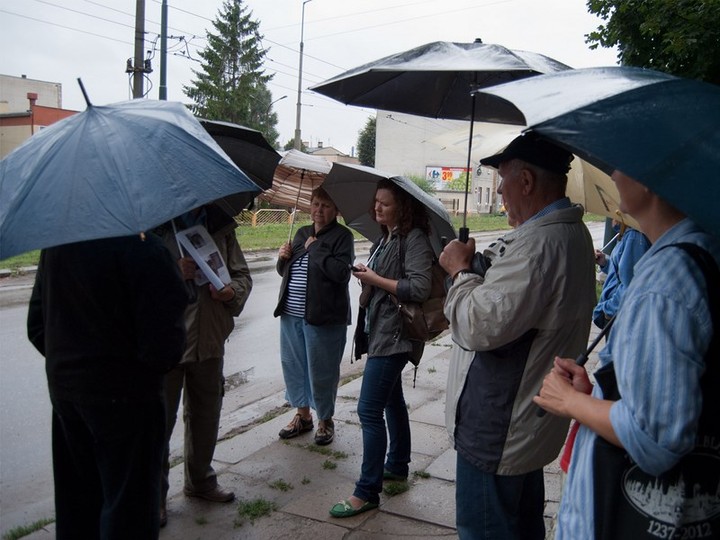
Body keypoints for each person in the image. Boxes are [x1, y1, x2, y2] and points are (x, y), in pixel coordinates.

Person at [535, 170, 720, 539]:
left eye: (623, 166)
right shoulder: (702, 251)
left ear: (651, 176)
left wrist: (571, 401)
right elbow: (679, 391)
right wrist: (601, 393)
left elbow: (655, 438)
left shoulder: (665, 281)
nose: (615, 174)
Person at [438, 133, 596, 539]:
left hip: (498, 426)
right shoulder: (566, 234)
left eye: (503, 182)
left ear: (526, 182)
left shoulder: (540, 245)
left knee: (484, 528)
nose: (502, 194)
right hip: (523, 420)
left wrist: (459, 272)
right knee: (521, 524)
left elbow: (477, 324)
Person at [26, 234, 188, 540]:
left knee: (76, 507)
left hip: (67, 399)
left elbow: (37, 326)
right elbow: (165, 348)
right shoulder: (146, 252)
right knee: (129, 514)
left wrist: (77, 367)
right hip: (130, 405)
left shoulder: (56, 249)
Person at [329, 178, 434, 518]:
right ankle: (398, 464)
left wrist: (375, 280)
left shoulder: (414, 239)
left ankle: (367, 491)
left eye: (384, 204)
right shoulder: (384, 239)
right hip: (380, 333)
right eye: (375, 202)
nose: (376, 208)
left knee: (368, 410)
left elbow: (418, 287)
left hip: (396, 337)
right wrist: (366, 279)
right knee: (392, 401)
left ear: (402, 208)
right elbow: (379, 282)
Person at [157, 204, 253, 526]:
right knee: (159, 422)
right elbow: (133, 283)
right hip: (166, 341)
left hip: (210, 336)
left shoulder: (222, 227)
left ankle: (200, 481)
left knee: (206, 413)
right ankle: (154, 497)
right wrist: (172, 272)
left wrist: (231, 292)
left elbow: (242, 276)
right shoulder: (156, 226)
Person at [274, 187, 354, 446]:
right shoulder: (301, 233)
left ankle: (325, 420)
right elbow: (287, 271)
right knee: (294, 366)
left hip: (324, 317)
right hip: (291, 314)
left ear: (336, 211)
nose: (319, 210)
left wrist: (317, 248)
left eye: (326, 205)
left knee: (322, 370)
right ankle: (303, 416)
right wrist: (282, 259)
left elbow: (341, 273)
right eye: (316, 204)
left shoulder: (343, 237)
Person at [592, 221, 650, 329]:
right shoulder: (626, 234)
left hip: (618, 316)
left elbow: (630, 284)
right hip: (618, 314)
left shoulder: (634, 237)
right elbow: (623, 271)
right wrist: (605, 262)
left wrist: (607, 309)